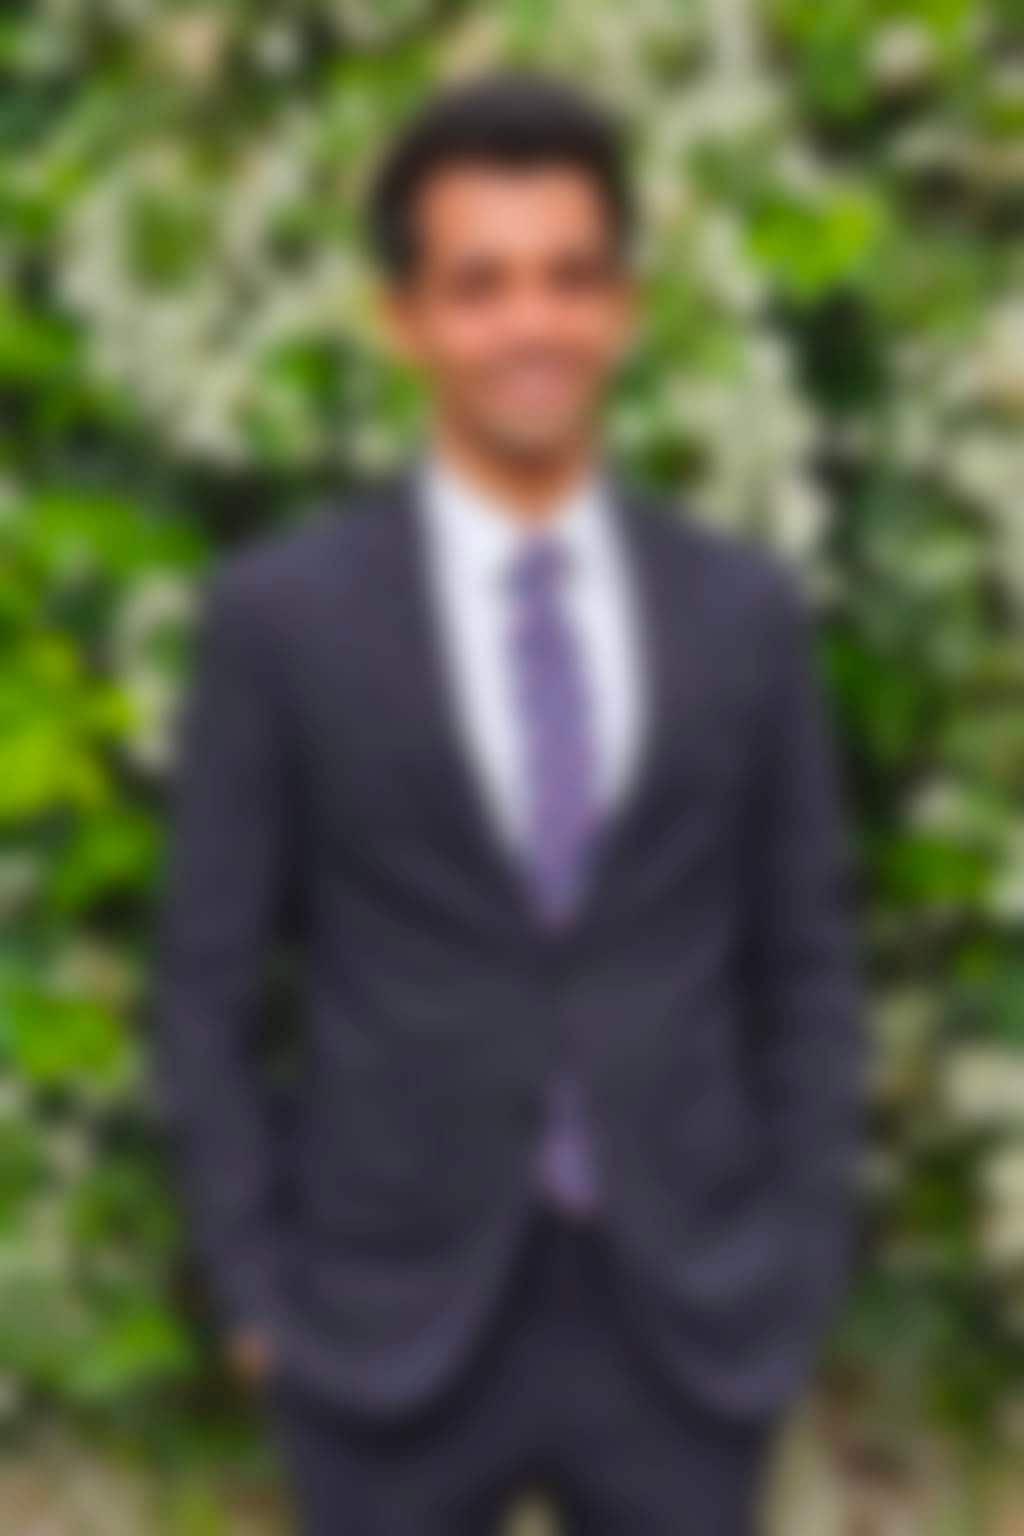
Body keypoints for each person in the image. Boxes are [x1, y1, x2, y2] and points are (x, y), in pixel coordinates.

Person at [151, 69, 865, 1536]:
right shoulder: (282, 619)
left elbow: (805, 966)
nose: (531, 324)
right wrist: (257, 1300)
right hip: (378, 1331)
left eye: (569, 278)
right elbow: (205, 987)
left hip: (685, 1327)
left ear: (626, 308)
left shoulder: (742, 612)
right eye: (478, 286)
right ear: (402, 320)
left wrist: (794, 1267)